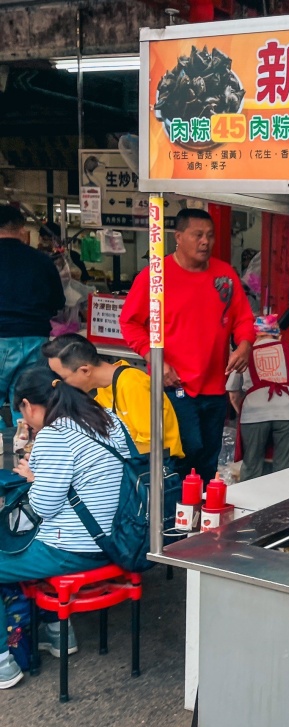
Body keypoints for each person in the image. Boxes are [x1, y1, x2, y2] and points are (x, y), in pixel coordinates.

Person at [0, 368, 131, 688]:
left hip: (77, 550)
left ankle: (4, 663)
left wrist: (34, 478)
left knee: (19, 542)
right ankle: (58, 632)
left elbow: (43, 507)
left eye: (23, 414)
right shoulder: (109, 418)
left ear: (29, 405)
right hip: (121, 539)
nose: (26, 423)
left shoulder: (54, 434)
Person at [120, 208, 255, 485]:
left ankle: (201, 520)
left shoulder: (225, 276)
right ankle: (173, 518)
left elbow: (243, 319)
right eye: (198, 235)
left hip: (215, 387)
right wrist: (155, 360)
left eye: (210, 236)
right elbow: (130, 324)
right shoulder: (154, 277)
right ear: (178, 237)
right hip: (173, 385)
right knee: (182, 455)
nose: (206, 241)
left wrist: (244, 345)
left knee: (208, 457)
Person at [42, 333, 184, 460]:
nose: (61, 384)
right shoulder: (104, 386)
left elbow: (152, 443)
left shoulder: (133, 385)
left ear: (84, 370)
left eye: (63, 378)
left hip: (157, 469)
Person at [0, 205, 66, 431]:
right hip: (35, 339)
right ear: (20, 229)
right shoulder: (41, 261)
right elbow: (58, 302)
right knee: (29, 406)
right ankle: (27, 459)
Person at [227, 314, 289, 481]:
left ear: (255, 336)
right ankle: (281, 504)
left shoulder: (245, 354)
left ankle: (253, 504)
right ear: (278, 335)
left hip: (253, 412)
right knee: (285, 467)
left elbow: (233, 393)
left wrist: (244, 412)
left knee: (251, 465)